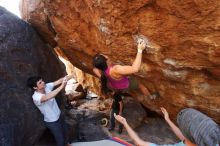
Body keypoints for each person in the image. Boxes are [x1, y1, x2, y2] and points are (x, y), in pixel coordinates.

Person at [92, 40, 159, 99]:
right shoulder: (116, 69)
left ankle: (121, 92)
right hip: (125, 85)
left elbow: (96, 71)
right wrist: (140, 50)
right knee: (141, 86)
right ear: (106, 61)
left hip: (116, 87)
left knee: (119, 80)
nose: (105, 55)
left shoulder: (102, 71)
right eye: (104, 56)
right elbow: (135, 69)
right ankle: (151, 96)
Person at [27, 75, 74, 146]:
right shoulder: (36, 97)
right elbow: (47, 97)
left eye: (42, 80)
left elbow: (59, 81)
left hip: (59, 115)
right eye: (40, 82)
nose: (43, 82)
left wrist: (71, 75)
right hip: (52, 121)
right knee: (60, 140)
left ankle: (67, 144)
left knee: (65, 132)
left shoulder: (47, 86)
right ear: (35, 87)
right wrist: (62, 86)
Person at [114, 107, 197, 146]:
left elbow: (138, 142)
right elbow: (182, 136)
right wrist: (167, 120)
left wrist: (125, 123)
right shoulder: (201, 140)